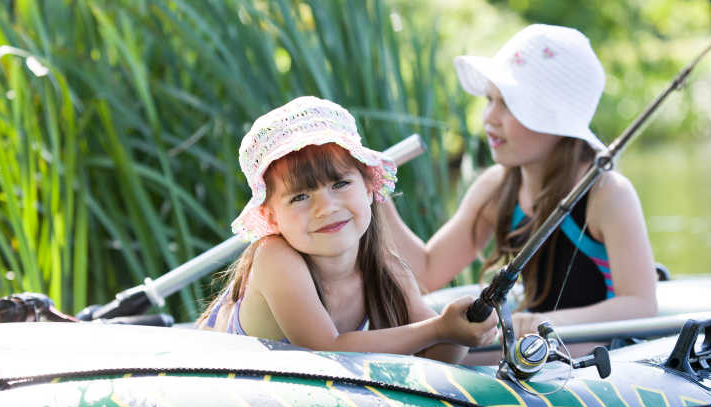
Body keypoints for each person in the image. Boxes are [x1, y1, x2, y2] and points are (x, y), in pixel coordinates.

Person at [382, 24, 657, 356]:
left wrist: (543, 321)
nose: (490, 118)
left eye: (508, 104)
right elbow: (428, 270)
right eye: (489, 100)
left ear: (555, 120)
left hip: (601, 349)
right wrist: (378, 195)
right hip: (534, 344)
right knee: (439, 350)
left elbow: (641, 305)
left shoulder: (607, 194)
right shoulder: (496, 187)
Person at [198, 96, 497, 363]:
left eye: (340, 184)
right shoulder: (275, 258)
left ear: (368, 187)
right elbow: (325, 349)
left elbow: (439, 356)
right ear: (271, 217)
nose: (326, 208)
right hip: (215, 387)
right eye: (300, 196)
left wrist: (463, 329)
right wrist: (438, 328)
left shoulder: (387, 268)